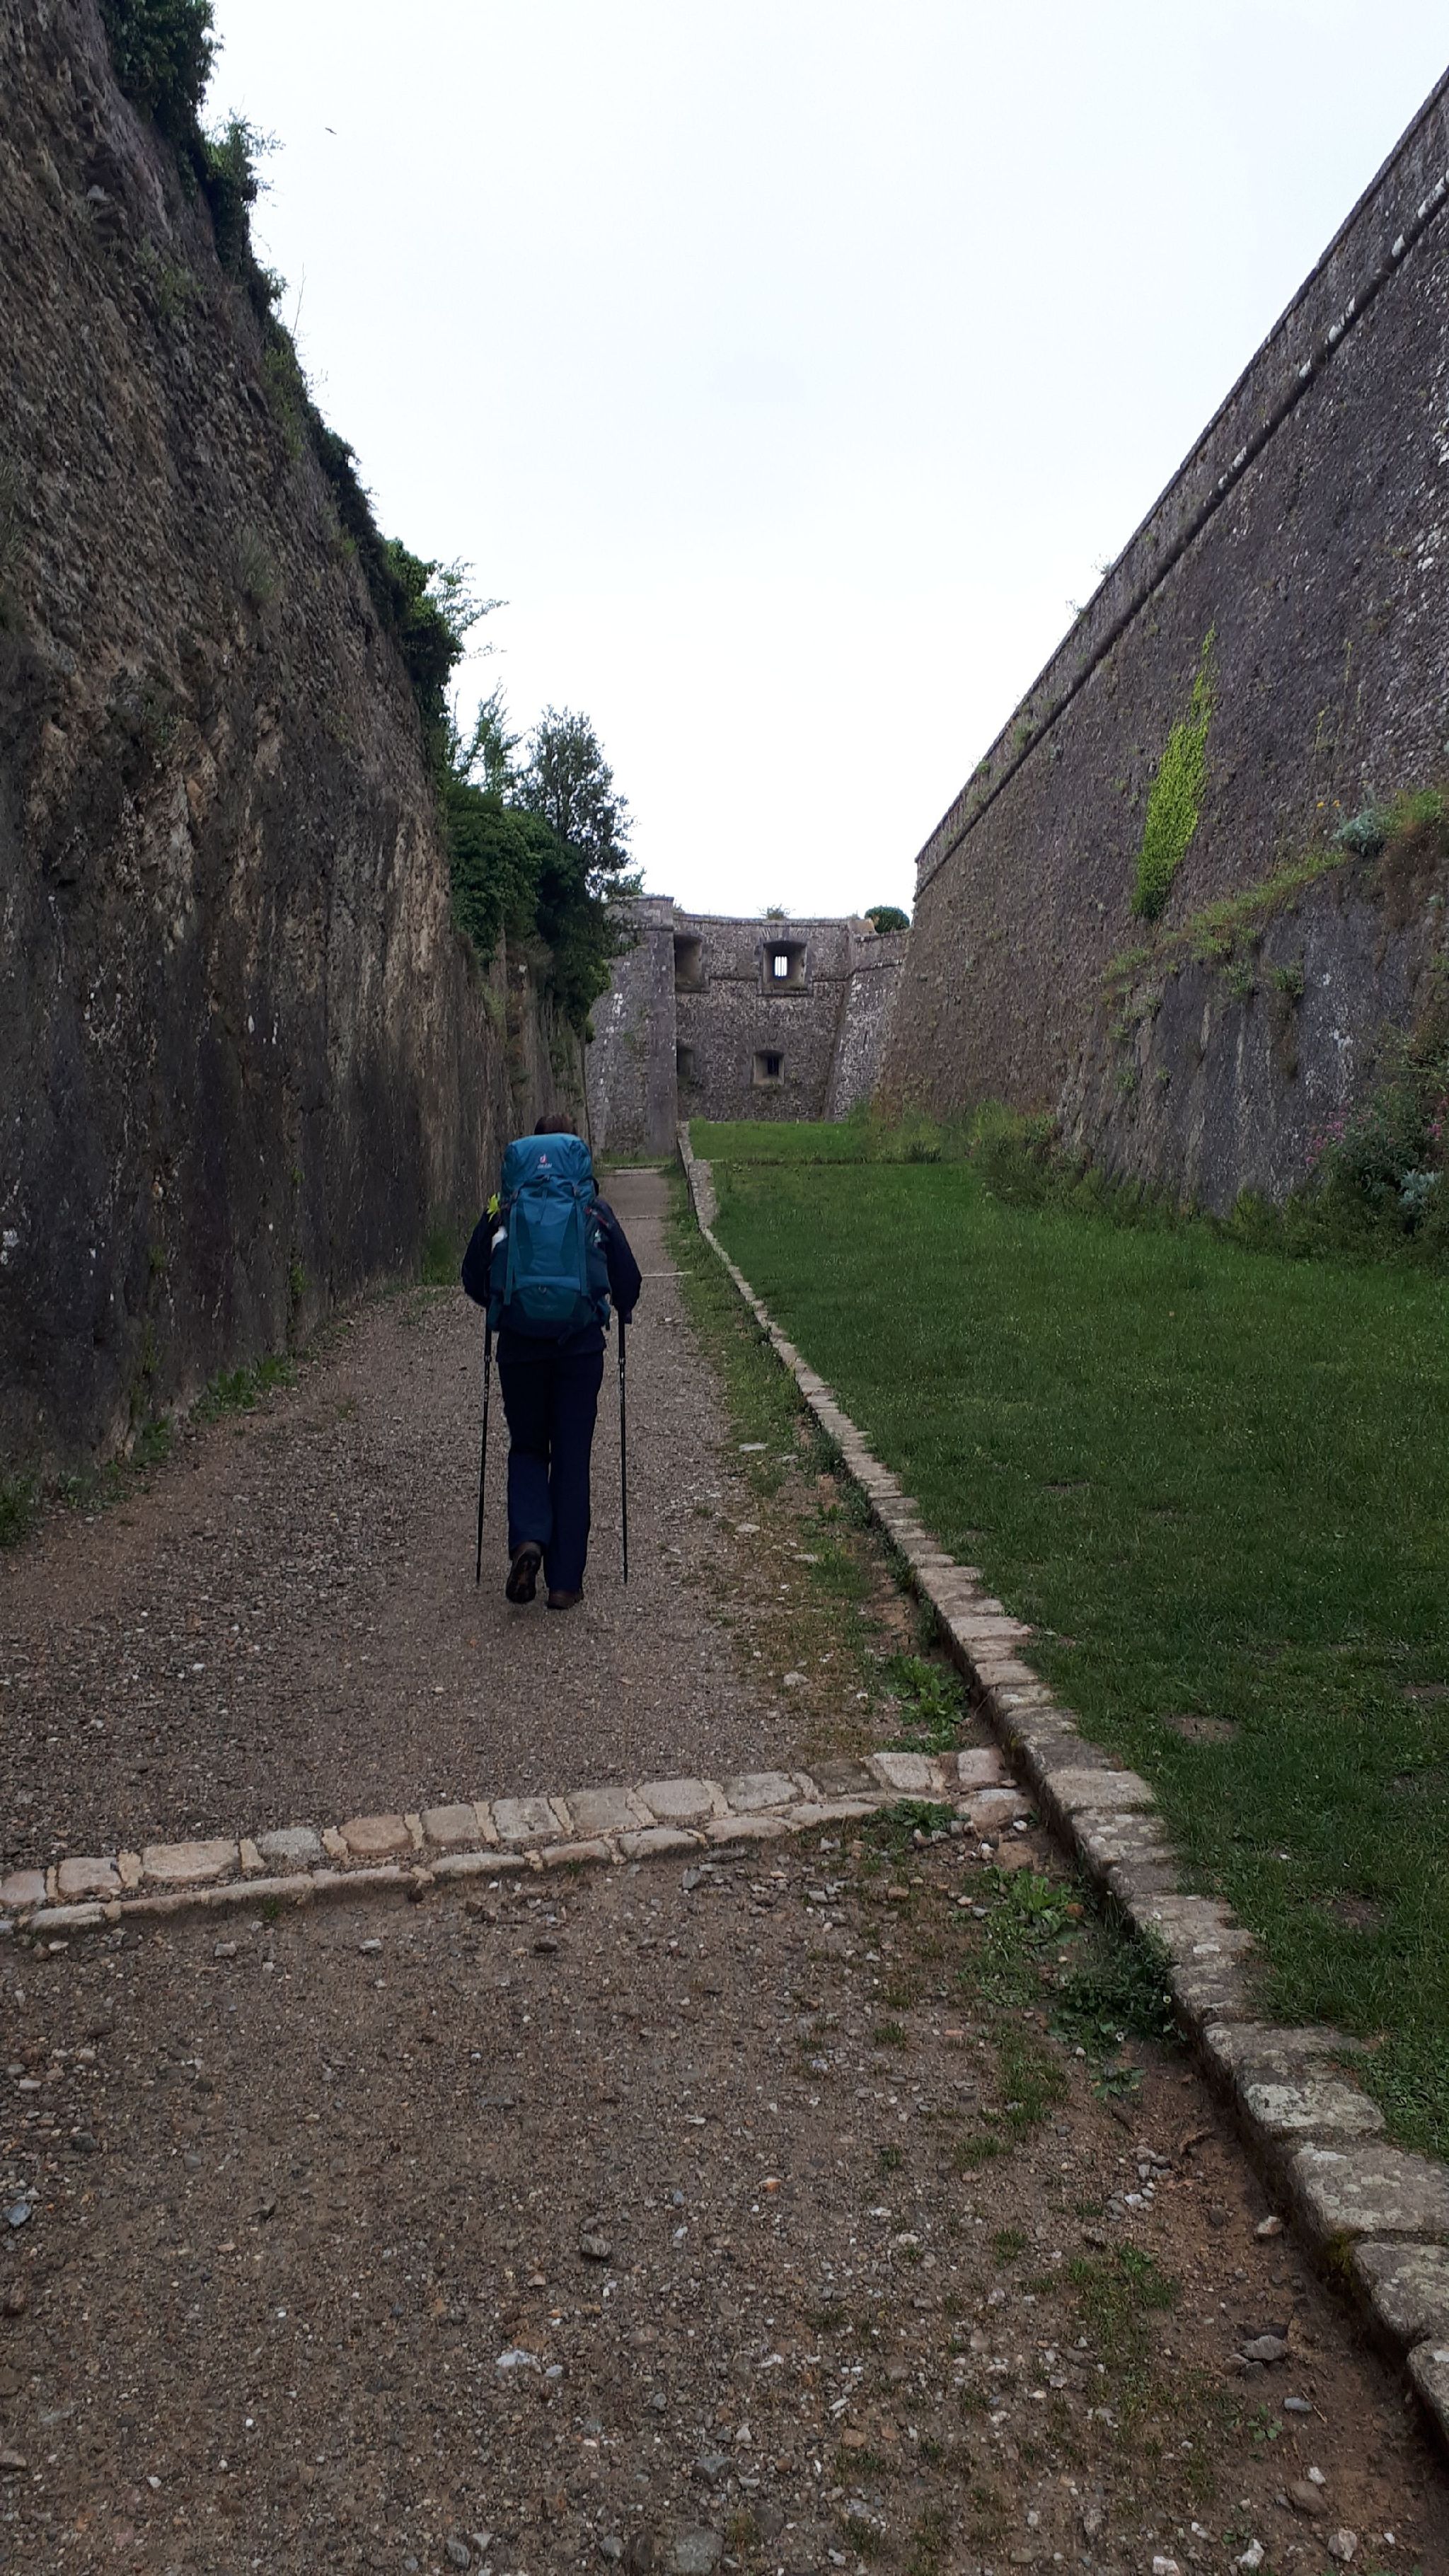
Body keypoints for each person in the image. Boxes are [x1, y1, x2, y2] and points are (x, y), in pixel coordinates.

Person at [461, 1121, 641, 1612]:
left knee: (527, 1447)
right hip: (579, 1350)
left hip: (519, 1349)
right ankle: (564, 1583)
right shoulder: (593, 1207)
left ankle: (528, 1539)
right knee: (571, 1457)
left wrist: (500, 1304)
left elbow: (473, 1276)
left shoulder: (502, 1206)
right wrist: (621, 1306)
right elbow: (628, 1280)